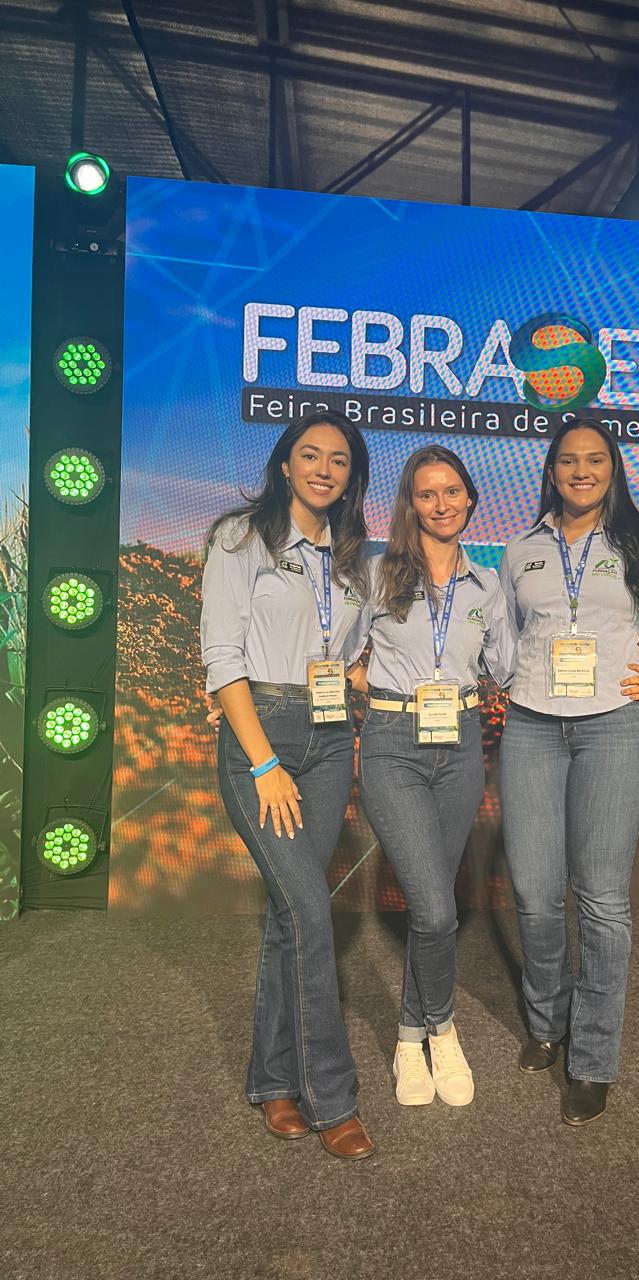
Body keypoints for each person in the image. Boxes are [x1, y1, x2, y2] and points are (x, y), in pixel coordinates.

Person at [498, 417, 639, 1126]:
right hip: (532, 727)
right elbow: (506, 637)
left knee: (600, 899)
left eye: (594, 460)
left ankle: (592, 1058)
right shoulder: (522, 549)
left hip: (615, 730)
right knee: (536, 895)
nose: (580, 471)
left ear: (613, 468)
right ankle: (548, 1022)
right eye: (568, 461)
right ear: (553, 469)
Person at [200, 410, 376, 1159]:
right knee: (309, 911)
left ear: (350, 476)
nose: (324, 469)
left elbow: (354, 654)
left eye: (339, 460)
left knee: (287, 918)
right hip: (259, 737)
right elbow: (223, 656)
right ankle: (333, 1099)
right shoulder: (240, 539)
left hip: (332, 738)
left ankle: (272, 1083)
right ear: (283, 464)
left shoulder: (356, 555)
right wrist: (266, 763)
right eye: (310, 455)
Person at [358, 446, 514, 1108]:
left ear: (472, 500)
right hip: (394, 744)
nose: (442, 504)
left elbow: (506, 669)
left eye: (453, 492)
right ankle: (440, 1031)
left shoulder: (489, 586)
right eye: (427, 494)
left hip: (461, 743)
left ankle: (407, 1035)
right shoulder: (375, 574)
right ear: (409, 504)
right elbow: (334, 649)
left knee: (435, 912)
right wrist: (358, 679)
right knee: (437, 908)